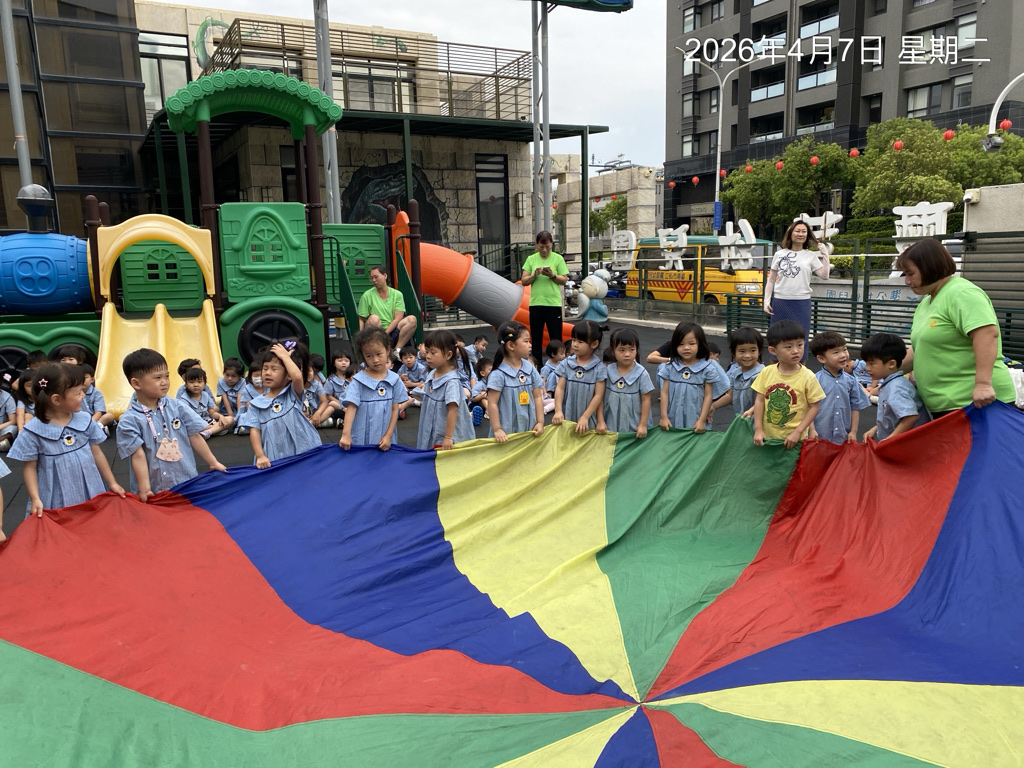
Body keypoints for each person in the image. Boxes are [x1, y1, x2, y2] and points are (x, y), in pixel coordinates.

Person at [897, 239, 1016, 416]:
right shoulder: (927, 303)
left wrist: (983, 384)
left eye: (910, 274)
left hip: (976, 404)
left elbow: (986, 334)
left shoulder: (961, 292)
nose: (907, 281)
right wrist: (884, 371)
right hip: (948, 406)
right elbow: (920, 349)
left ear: (930, 268)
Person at [7, 363, 124, 516]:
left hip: (89, 487)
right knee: (60, 524)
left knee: (91, 521)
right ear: (56, 399)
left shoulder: (84, 420)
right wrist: (35, 498)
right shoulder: (33, 431)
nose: (83, 396)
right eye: (78, 393)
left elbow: (97, 453)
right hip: (55, 495)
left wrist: (112, 482)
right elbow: (29, 468)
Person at [117, 349, 227, 499]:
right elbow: (138, 456)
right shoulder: (129, 420)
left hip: (185, 482)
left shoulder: (177, 406)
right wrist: (144, 488)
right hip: (154, 489)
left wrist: (213, 462)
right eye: (157, 378)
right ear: (136, 383)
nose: (165, 382)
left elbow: (194, 436)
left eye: (167, 376)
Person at [239, 342, 322, 467]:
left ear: (288, 375)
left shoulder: (291, 394)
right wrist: (260, 456)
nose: (268, 372)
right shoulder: (256, 404)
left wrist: (285, 357)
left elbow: (297, 377)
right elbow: (254, 431)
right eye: (265, 368)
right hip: (274, 455)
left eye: (274, 369)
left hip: (301, 449)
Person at [752, 320, 826, 448]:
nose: (796, 351)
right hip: (768, 438)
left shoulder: (808, 377)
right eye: (788, 347)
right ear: (773, 350)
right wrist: (758, 429)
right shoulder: (766, 372)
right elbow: (759, 400)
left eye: (800, 345)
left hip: (795, 440)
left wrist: (798, 432)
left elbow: (814, 407)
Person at [763, 220, 832, 359]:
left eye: (804, 231)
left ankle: (799, 369)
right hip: (781, 301)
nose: (800, 234)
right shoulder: (780, 254)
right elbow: (771, 280)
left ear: (807, 235)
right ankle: (774, 368)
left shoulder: (810, 256)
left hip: (802, 303)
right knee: (777, 337)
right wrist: (766, 301)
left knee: (801, 338)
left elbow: (824, 275)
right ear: (791, 233)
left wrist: (825, 254)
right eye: (797, 231)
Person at [339, 327, 409, 451]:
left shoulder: (394, 379)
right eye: (369, 356)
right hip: (361, 435)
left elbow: (394, 410)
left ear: (387, 350)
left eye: (378, 354)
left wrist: (388, 436)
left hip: (384, 437)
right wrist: (346, 434)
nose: (375, 360)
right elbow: (351, 408)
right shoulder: (358, 381)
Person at [860, 333, 931, 441]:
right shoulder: (891, 384)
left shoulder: (896, 388)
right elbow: (892, 417)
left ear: (891, 364)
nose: (867, 368)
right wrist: (875, 429)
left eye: (871, 363)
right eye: (866, 363)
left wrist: (890, 440)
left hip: (909, 444)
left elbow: (910, 416)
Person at [486, 321, 545, 442]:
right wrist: (497, 429)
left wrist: (540, 422)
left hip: (529, 427)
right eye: (526, 341)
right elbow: (492, 403)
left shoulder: (529, 368)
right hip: (506, 432)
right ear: (511, 345)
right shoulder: (499, 374)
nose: (530, 345)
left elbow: (537, 396)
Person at [417, 330, 476, 450]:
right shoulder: (433, 373)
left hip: (444, 430)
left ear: (448, 355)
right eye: (427, 352)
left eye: (433, 352)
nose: (428, 356)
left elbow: (452, 410)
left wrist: (448, 437)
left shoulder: (451, 382)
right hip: (432, 424)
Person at [809, 331, 870, 444]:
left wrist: (853, 431)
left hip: (843, 436)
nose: (843, 355)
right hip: (820, 435)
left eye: (844, 349)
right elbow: (809, 408)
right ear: (821, 358)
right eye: (836, 352)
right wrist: (812, 430)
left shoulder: (851, 381)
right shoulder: (815, 380)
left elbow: (855, 407)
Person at [657, 322, 719, 433]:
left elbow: (708, 396)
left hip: (695, 420)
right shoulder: (670, 366)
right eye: (681, 344)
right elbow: (664, 392)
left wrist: (701, 420)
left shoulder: (707, 369)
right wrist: (663, 417)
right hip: (673, 419)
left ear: (700, 344)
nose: (686, 348)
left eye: (691, 343)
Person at [520, 231, 569, 364]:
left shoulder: (558, 258)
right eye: (541, 247)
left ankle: (558, 364)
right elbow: (524, 280)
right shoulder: (531, 259)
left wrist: (552, 275)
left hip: (553, 304)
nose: (544, 250)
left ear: (552, 244)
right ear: (537, 245)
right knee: (536, 338)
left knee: (556, 337)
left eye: (547, 246)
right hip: (536, 303)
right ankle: (537, 365)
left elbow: (564, 280)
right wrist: (534, 275)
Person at [552, 320, 608, 435]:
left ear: (594, 344)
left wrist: (585, 417)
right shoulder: (566, 363)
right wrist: (558, 411)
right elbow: (560, 388)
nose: (575, 344)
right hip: (566, 415)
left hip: (587, 419)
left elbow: (598, 395)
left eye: (580, 341)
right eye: (573, 340)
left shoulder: (598, 368)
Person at [604, 328, 654, 437]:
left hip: (634, 423)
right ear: (612, 351)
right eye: (621, 350)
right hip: (611, 421)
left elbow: (646, 400)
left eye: (631, 349)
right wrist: (600, 420)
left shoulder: (641, 373)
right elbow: (600, 396)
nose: (627, 354)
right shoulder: (607, 371)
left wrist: (643, 425)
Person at [357, 265, 418, 354]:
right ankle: (377, 349)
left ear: (385, 276)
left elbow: (398, 318)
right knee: (374, 318)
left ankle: (396, 350)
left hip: (393, 329)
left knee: (412, 319)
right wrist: (360, 337)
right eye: (371, 278)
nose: (373, 280)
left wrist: (386, 333)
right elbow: (361, 318)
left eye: (376, 277)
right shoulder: (366, 295)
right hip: (376, 331)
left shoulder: (397, 294)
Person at [714, 327, 765, 419]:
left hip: (757, 422)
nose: (747, 355)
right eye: (742, 351)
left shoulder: (763, 374)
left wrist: (751, 412)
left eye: (753, 350)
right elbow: (730, 396)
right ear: (734, 353)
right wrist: (713, 406)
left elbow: (764, 401)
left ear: (759, 351)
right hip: (742, 422)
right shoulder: (735, 373)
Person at [179, 367, 234, 438]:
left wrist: (221, 416)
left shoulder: (205, 395)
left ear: (204, 383)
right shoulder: (184, 399)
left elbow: (212, 413)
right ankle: (213, 430)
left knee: (230, 419)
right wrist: (204, 426)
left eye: (199, 382)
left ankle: (208, 432)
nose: (196, 385)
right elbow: (188, 418)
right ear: (186, 384)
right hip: (194, 424)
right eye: (191, 382)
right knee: (189, 429)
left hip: (207, 421)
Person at [323, 350, 352, 427]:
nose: (343, 363)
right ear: (334, 363)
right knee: (332, 405)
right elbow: (328, 395)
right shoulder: (331, 380)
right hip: (339, 405)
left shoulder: (353, 377)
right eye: (340, 360)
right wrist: (340, 404)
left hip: (351, 405)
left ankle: (341, 421)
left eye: (346, 361)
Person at [469, 359, 492, 425]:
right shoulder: (479, 385)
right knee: (483, 398)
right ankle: (489, 412)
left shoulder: (493, 383)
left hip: (489, 402)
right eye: (490, 370)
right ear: (482, 373)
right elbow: (473, 399)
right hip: (475, 403)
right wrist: (482, 396)